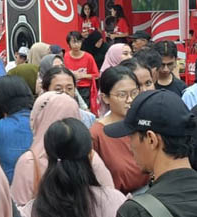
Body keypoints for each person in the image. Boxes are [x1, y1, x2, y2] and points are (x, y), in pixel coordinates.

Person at [11, 91, 114, 205]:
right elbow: (109, 199)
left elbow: (19, 209)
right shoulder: (90, 157)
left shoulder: (29, 162)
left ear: (38, 117)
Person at [91, 65, 149, 194]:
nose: (130, 100)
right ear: (105, 97)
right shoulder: (96, 134)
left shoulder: (145, 124)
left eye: (134, 93)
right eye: (122, 95)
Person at [64, 31, 99, 111]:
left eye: (79, 42)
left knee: (84, 111)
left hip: (84, 89)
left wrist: (82, 76)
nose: (76, 45)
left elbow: (96, 75)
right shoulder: (65, 56)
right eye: (74, 42)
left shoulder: (88, 57)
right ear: (68, 44)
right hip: (69, 88)